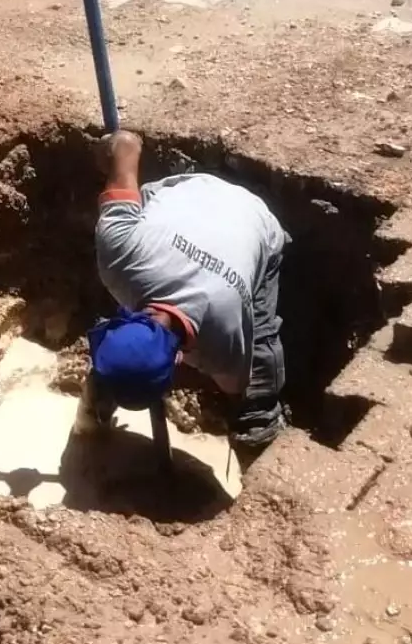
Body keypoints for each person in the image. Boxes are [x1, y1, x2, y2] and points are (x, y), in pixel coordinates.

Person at [78, 129, 288, 468]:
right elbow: (127, 148)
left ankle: (261, 459)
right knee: (129, 362)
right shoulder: (119, 259)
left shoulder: (226, 345)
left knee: (256, 395)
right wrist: (113, 149)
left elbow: (234, 386)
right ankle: (89, 423)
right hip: (193, 195)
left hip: (254, 219)